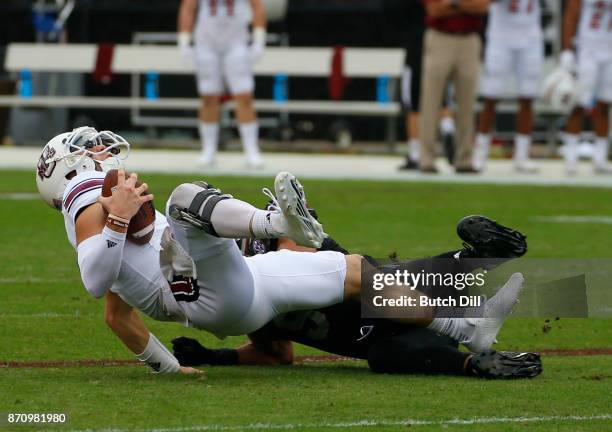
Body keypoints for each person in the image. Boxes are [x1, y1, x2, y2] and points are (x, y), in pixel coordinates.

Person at [35, 127, 524, 374]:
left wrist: (171, 367)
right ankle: (276, 220)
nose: (101, 150)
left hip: (240, 291)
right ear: (69, 169)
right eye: (88, 149)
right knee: (185, 198)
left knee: (356, 271)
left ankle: (467, 328)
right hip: (206, 296)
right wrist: (119, 216)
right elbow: (95, 279)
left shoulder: (103, 219)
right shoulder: (87, 200)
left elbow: (115, 313)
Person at [172, 214, 541, 379]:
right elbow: (276, 354)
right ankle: (475, 363)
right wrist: (215, 356)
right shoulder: (249, 296)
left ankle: (483, 257)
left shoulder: (298, 250)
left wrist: (288, 244)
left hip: (399, 295)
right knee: (383, 355)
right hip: (391, 339)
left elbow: (356, 268)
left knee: (384, 284)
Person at [178, 0, 266, 168]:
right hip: (206, 41)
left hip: (236, 41)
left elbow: (257, 6)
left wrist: (259, 38)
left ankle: (251, 150)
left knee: (244, 95)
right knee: (208, 96)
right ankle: (208, 150)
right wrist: (184, 39)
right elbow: (188, 8)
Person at [418, 0, 491, 173]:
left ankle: (464, 158)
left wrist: (454, 3)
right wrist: (466, 6)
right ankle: (426, 158)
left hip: (469, 39)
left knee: (467, 103)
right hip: (439, 37)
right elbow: (434, 9)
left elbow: (482, 6)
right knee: (430, 102)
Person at [474, 0, 545, 173]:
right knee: (491, 96)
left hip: (530, 35)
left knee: (527, 97)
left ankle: (521, 156)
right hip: (501, 35)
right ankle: (480, 153)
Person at [397, 0, 458, 170]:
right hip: (442, 40)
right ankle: (447, 127)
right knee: (442, 95)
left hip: (419, 40)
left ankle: (416, 153)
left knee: (413, 102)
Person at [559, 0, 612, 175]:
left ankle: (600, 158)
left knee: (605, 104)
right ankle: (571, 157)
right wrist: (567, 50)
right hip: (587, 47)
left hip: (609, 47)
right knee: (578, 104)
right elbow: (570, 16)